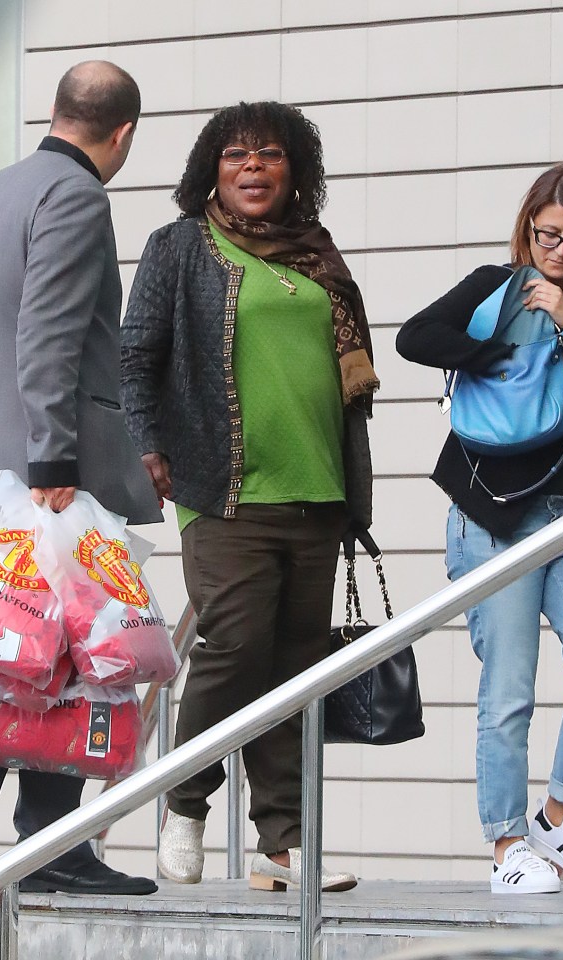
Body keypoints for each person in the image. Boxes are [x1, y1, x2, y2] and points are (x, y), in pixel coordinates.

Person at [0, 60, 162, 896]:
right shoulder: (79, 197)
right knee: (77, 653)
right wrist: (52, 458)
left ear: (57, 112)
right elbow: (48, 330)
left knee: (11, 652)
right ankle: (28, 832)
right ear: (121, 133)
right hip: (49, 465)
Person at [121, 101, 378, 892]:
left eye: (270, 154)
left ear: (294, 170)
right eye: (237, 155)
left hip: (317, 491)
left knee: (295, 668)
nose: (254, 167)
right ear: (213, 169)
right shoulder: (179, 248)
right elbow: (135, 358)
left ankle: (284, 848)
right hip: (223, 490)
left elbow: (349, 383)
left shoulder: (317, 257)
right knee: (233, 648)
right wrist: (144, 445)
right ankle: (186, 804)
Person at [396, 162, 563, 894]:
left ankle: (558, 815)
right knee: (508, 688)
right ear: (528, 228)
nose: (558, 250)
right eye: (547, 234)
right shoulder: (494, 285)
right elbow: (414, 338)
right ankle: (506, 842)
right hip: (495, 516)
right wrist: (496, 353)